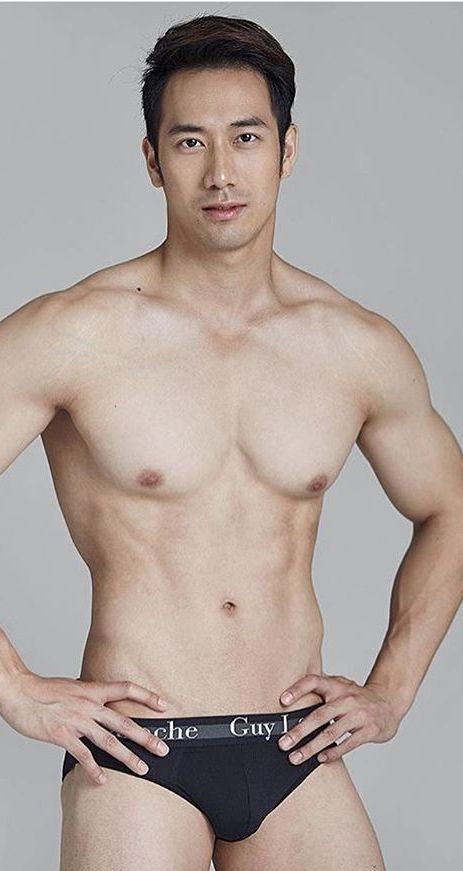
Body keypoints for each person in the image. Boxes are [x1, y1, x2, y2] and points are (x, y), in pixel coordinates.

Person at [0, 13, 461, 871]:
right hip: (140, 754)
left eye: (246, 137)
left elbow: (450, 506)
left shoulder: (353, 345)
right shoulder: (73, 334)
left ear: (287, 150)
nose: (220, 171)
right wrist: (15, 689)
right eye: (189, 142)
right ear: (152, 159)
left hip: (295, 747)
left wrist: (391, 689)